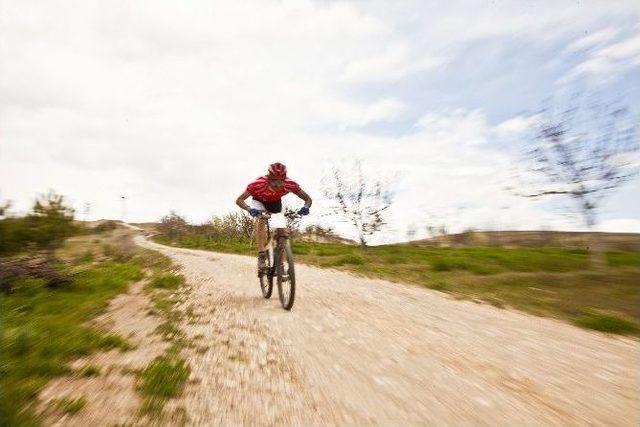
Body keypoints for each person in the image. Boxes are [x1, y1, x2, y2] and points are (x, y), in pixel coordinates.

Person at [235, 162, 312, 267]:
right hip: (259, 201)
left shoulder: (290, 184)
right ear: (268, 178)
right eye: (274, 180)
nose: (277, 185)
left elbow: (307, 199)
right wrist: (249, 209)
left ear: (285, 179)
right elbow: (239, 200)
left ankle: (281, 264)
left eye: (281, 181)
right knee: (261, 219)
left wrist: (306, 207)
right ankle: (261, 254)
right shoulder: (257, 184)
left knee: (282, 231)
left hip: (275, 202)